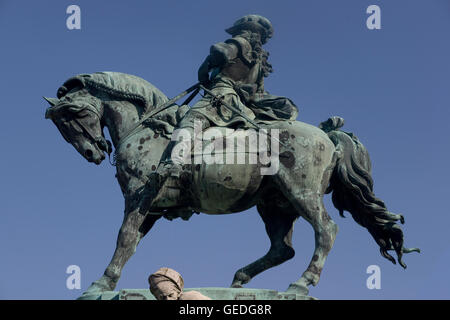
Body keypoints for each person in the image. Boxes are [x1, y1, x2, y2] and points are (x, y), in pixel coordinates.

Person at [150, 14, 299, 207]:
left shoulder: (238, 43)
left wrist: (210, 59)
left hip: (219, 97)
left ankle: (172, 166)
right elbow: (259, 94)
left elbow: (220, 52)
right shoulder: (259, 61)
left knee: (190, 121)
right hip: (241, 106)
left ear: (243, 31)